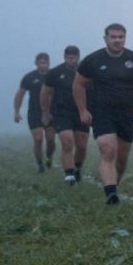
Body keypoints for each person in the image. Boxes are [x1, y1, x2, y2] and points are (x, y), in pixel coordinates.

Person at [74, 24, 133, 205]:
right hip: (101, 112)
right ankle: (111, 194)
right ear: (105, 39)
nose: (117, 40)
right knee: (108, 151)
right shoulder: (93, 60)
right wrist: (83, 110)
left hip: (126, 113)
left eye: (121, 37)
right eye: (113, 37)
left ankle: (114, 183)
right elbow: (78, 85)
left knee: (121, 159)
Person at [41, 46, 89, 185]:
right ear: (64, 57)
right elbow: (45, 93)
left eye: (74, 57)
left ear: (79, 57)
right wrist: (45, 113)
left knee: (81, 147)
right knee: (67, 143)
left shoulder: (86, 72)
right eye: (69, 57)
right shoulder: (55, 73)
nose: (72, 60)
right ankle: (69, 176)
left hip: (81, 113)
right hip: (62, 113)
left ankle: (77, 168)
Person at [13, 52, 56, 172]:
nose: (43, 64)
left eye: (45, 62)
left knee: (50, 140)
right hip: (35, 112)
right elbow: (20, 95)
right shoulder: (29, 77)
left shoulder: (54, 76)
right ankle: (40, 165)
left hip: (51, 112)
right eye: (41, 62)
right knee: (38, 139)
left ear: (49, 63)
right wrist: (17, 112)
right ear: (36, 63)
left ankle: (48, 157)